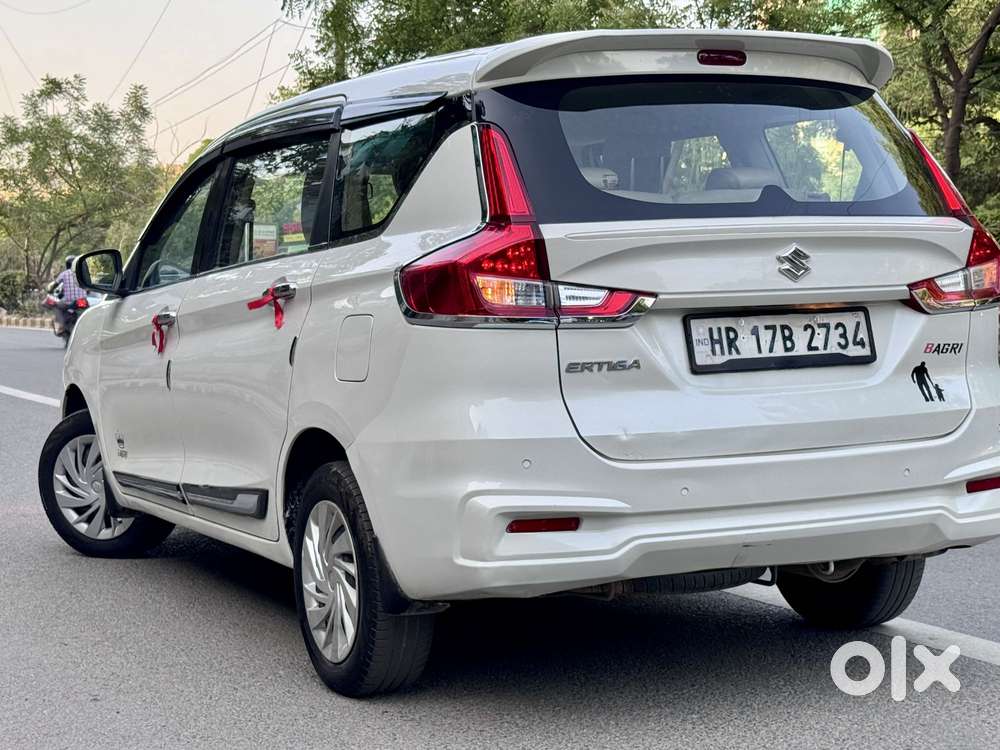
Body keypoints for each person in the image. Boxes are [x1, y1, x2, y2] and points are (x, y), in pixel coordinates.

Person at [53, 256, 85, 335]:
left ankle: (62, 326)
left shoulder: (64, 274)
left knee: (56, 306)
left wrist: (50, 288)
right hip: (82, 301)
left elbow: (55, 284)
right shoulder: (83, 273)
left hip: (69, 302)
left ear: (67, 264)